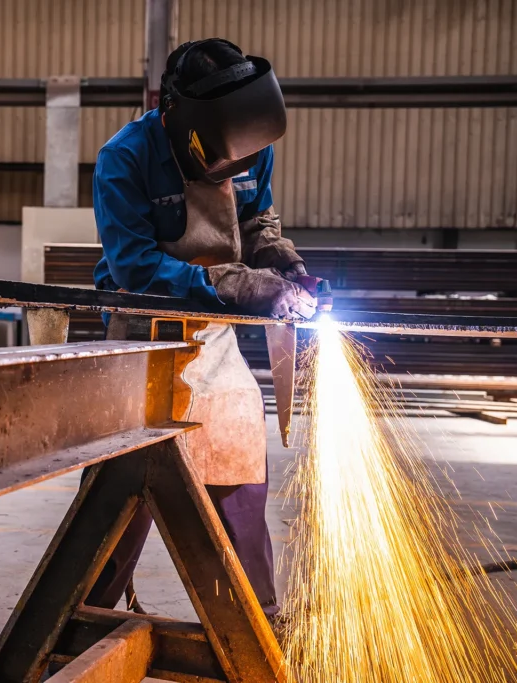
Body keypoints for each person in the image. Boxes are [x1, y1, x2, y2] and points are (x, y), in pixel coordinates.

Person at [88, 38, 319, 619]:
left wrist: (283, 264)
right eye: (220, 159)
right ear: (177, 115)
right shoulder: (124, 157)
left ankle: (259, 625)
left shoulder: (247, 143)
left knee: (240, 471)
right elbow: (136, 267)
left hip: (212, 340)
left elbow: (256, 219)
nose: (232, 168)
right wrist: (236, 285)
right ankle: (79, 616)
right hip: (138, 335)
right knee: (120, 497)